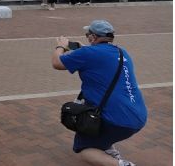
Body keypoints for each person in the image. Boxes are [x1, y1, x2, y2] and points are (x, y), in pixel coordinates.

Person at [52, 20, 147, 166]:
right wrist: (83, 49)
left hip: (116, 119)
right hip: (138, 115)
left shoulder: (88, 53)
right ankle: (108, 150)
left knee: (84, 150)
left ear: (92, 37)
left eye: (87, 35)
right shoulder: (122, 52)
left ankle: (123, 164)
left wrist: (60, 46)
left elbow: (57, 63)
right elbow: (99, 56)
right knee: (103, 133)